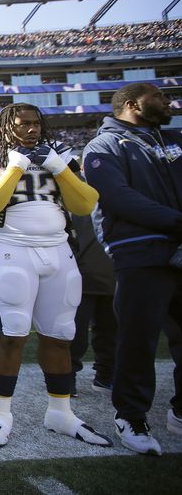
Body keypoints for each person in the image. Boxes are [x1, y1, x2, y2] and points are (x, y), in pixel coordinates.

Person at [0, 102, 110, 449]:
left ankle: (60, 412)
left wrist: (58, 167)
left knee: (61, 334)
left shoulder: (58, 154)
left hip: (58, 249)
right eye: (22, 124)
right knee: (13, 333)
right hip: (12, 249)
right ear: (4, 126)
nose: (31, 129)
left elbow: (85, 203)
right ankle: (0, 413)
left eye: (35, 123)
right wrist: (15, 168)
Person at [82, 83, 182, 455]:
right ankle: (131, 414)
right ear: (132, 104)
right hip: (140, 252)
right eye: (159, 96)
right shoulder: (104, 146)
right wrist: (177, 221)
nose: (168, 102)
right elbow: (118, 198)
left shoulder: (174, 138)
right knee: (138, 339)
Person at [69, 213, 117, 396]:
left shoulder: (113, 196)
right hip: (80, 276)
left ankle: (105, 374)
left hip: (112, 274)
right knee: (75, 333)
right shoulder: (76, 198)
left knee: (110, 331)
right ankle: (67, 376)